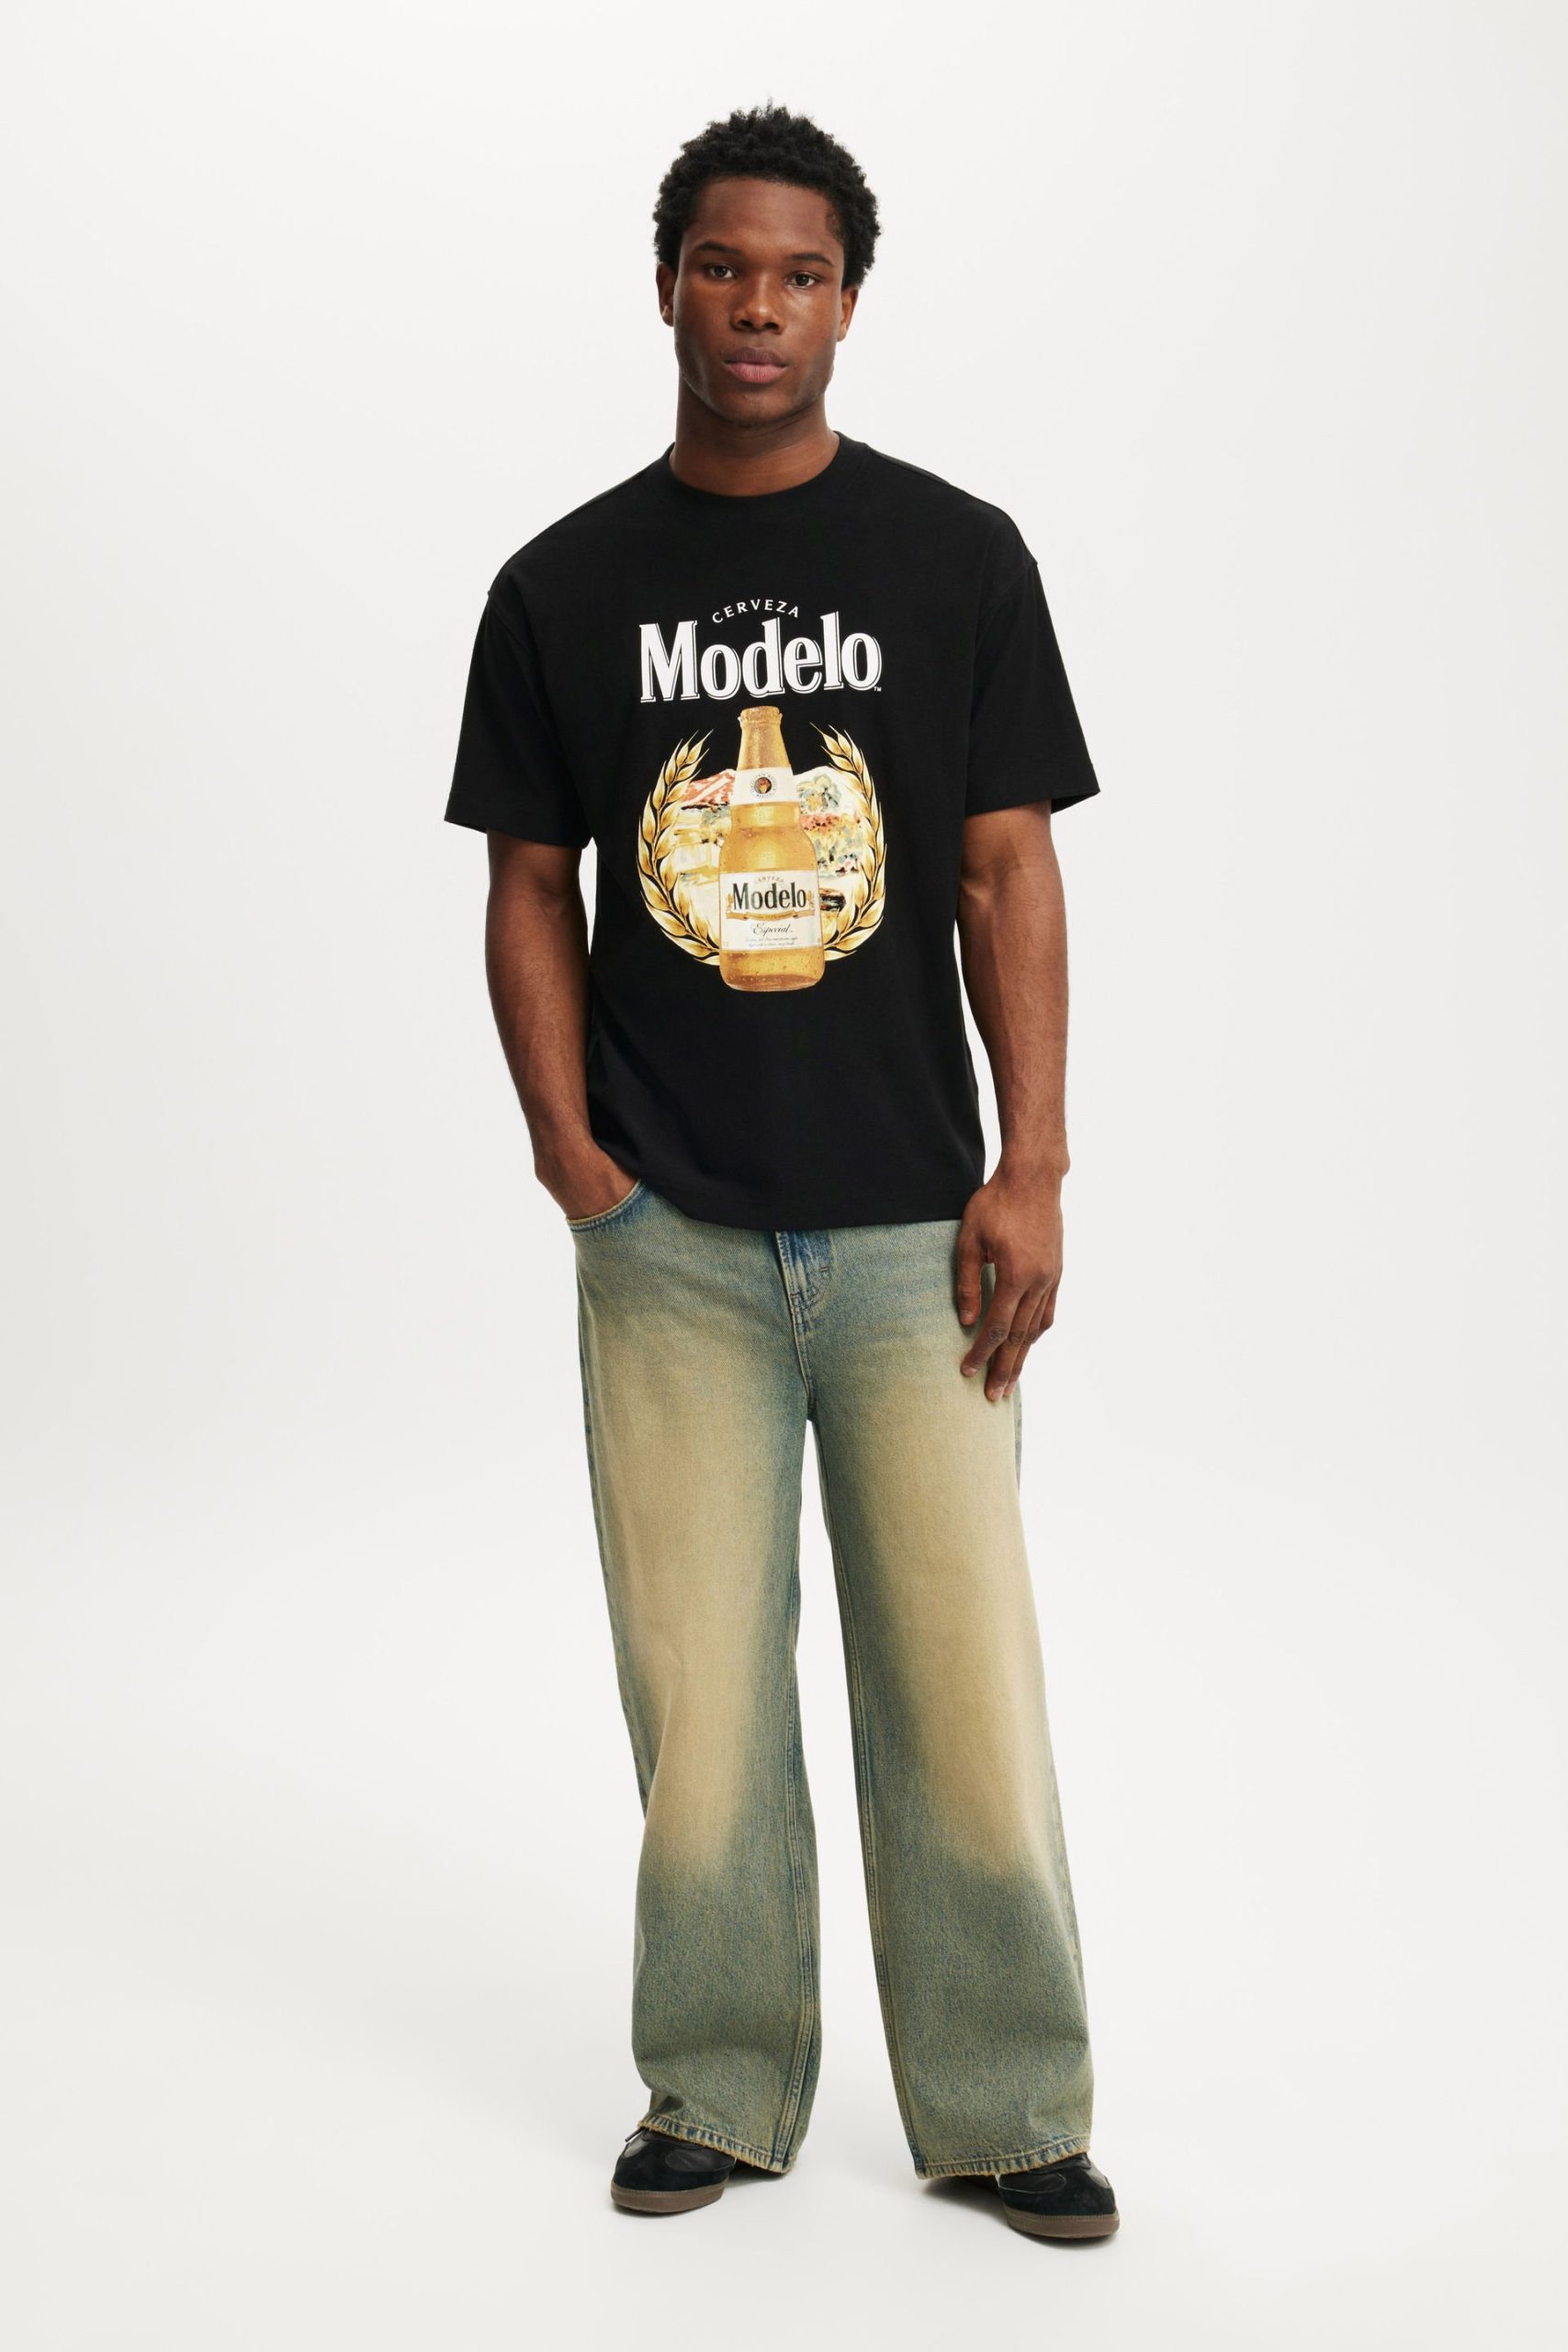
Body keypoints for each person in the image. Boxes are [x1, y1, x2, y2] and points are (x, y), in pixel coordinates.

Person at [444, 102, 1118, 2241]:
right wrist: (571, 1155)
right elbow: (528, 883)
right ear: (667, 285)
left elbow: (1001, 870)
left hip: (922, 1230)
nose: (757, 307)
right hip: (670, 1243)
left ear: (848, 301)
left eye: (799, 274)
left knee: (964, 1685)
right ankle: (719, 2088)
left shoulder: (954, 558)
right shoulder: (560, 587)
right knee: (701, 1694)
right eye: (723, 267)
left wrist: (1033, 1162)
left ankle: (1005, 2107)